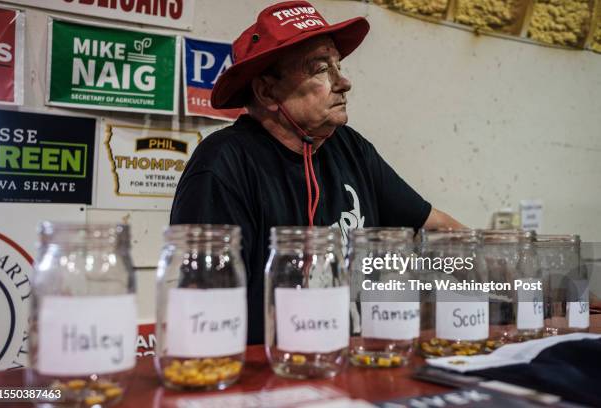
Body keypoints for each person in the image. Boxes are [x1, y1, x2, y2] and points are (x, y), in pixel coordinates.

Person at [170, 1, 463, 344]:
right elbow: (203, 315)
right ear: (267, 91)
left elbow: (438, 229)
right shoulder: (224, 164)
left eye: (339, 65)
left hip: (353, 364)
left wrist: (511, 279)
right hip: (270, 377)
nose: (344, 82)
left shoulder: (350, 147)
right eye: (321, 68)